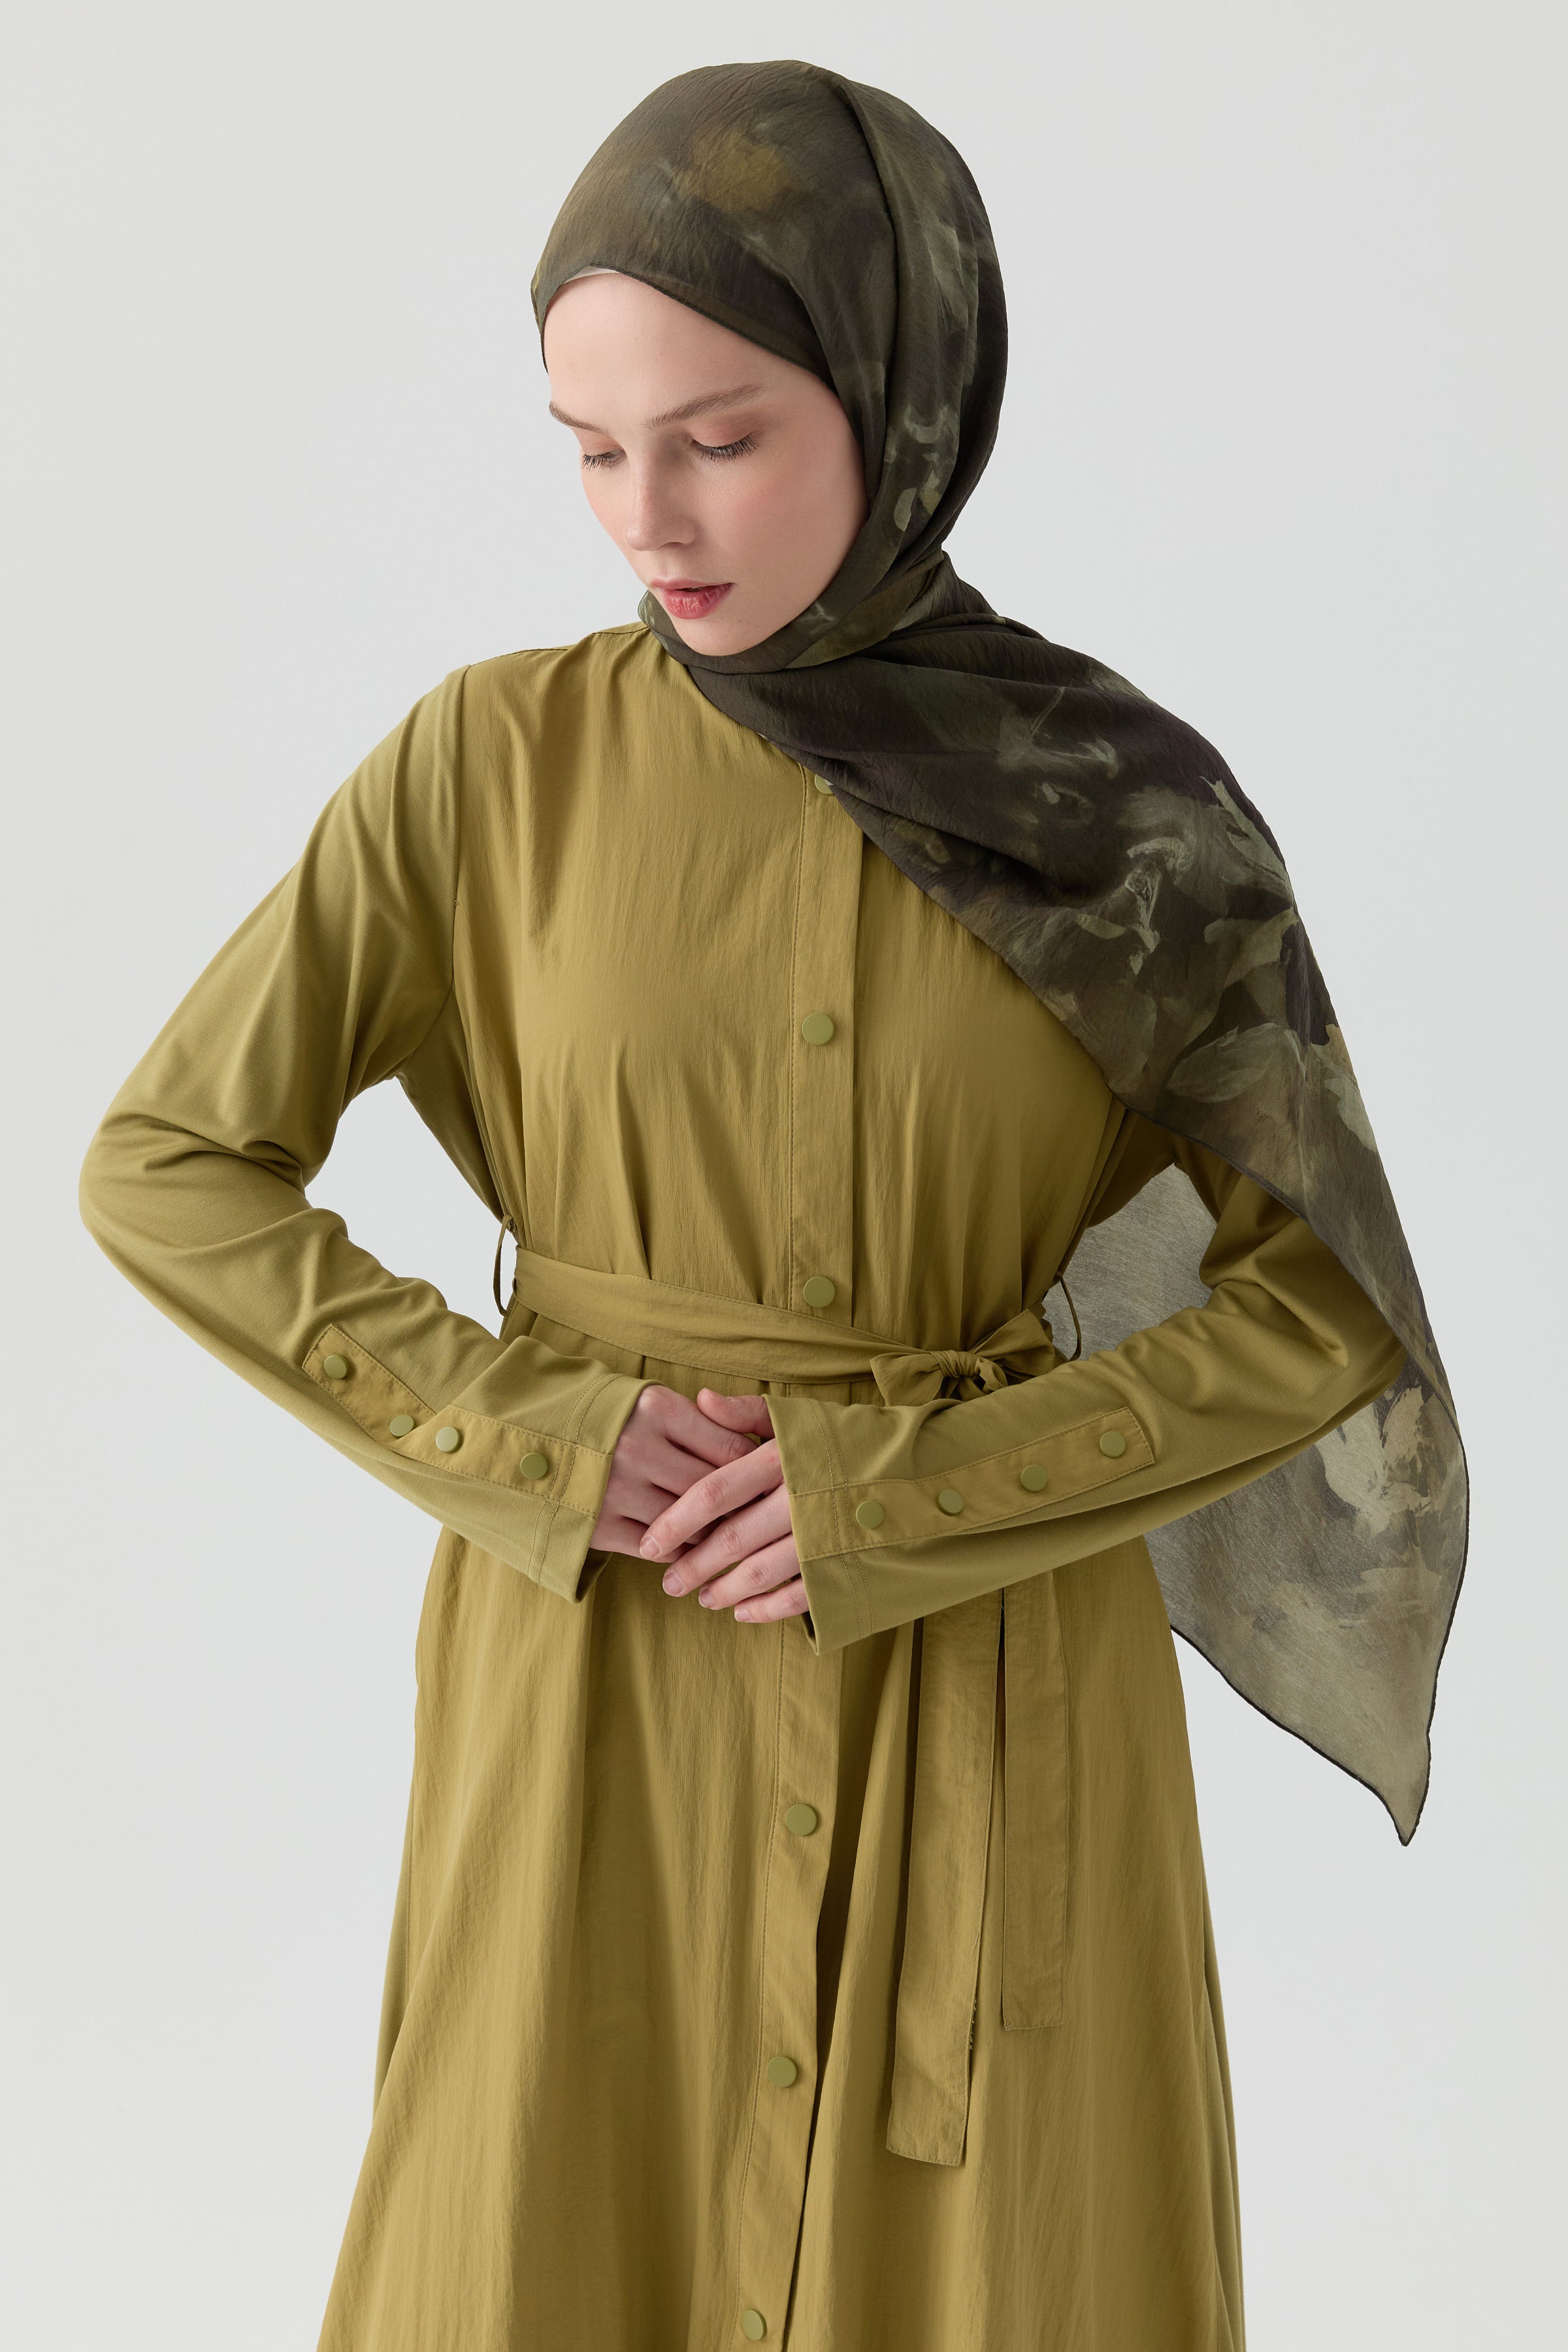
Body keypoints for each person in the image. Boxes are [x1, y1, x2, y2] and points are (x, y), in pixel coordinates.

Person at [79, 58, 1465, 2352]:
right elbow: (170, 1162)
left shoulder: (1132, 825)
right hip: (593, 1672)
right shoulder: (485, 769)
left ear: (900, 396)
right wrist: (529, 1434)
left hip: (997, 1685)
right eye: (589, 447)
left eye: (718, 437)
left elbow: (1325, 1306)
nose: (649, 517)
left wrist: (909, 1491)